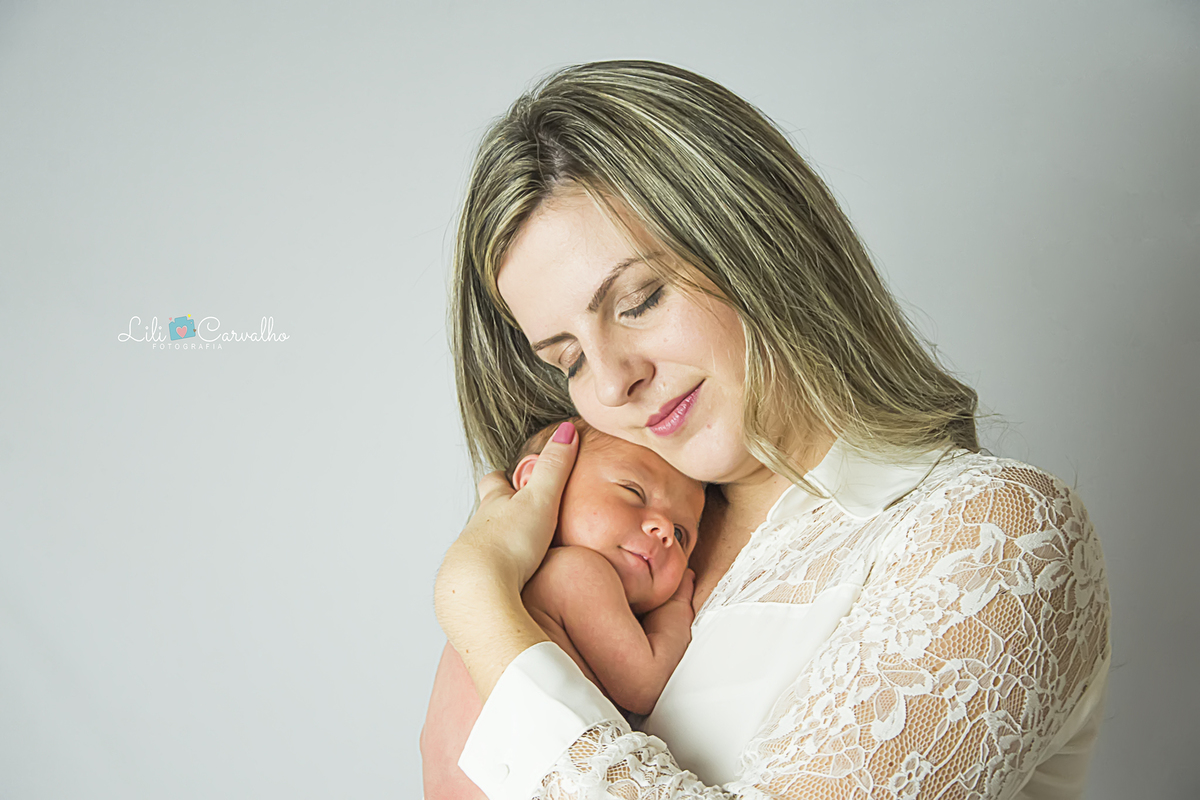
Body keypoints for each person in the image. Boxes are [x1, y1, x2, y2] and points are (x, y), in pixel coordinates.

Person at [432, 60, 1111, 800]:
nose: (612, 381)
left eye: (640, 300)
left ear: (760, 242)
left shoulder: (991, 534)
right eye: (569, 358)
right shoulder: (616, 552)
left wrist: (475, 599)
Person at [422, 419, 705, 799]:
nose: (664, 529)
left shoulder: (503, 588)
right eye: (633, 492)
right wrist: (677, 606)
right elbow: (646, 684)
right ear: (540, 481)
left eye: (682, 535)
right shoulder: (577, 571)